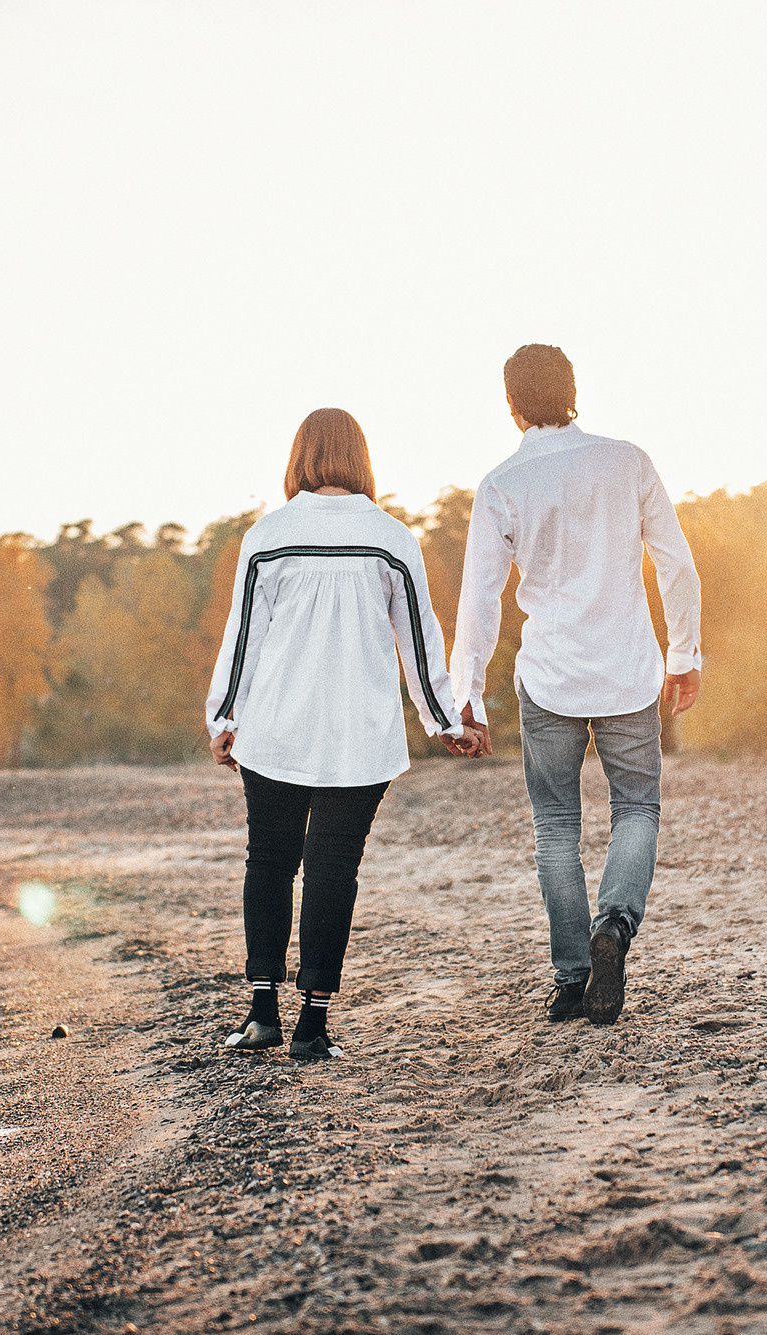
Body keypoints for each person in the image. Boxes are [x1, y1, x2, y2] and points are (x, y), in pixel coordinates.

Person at [204, 407, 477, 1060]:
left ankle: (262, 1015)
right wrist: (443, 717)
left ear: (299, 456)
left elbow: (243, 637)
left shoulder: (268, 535)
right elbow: (419, 635)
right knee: (333, 870)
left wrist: (224, 717)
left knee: (269, 862)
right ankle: (312, 1027)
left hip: (276, 729)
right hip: (359, 736)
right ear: (361, 459)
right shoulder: (391, 537)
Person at [446, 344, 702, 1026]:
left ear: (511, 405)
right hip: (627, 669)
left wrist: (464, 689)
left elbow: (480, 598)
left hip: (551, 675)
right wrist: (685, 652)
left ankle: (570, 979)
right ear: (573, 389)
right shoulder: (627, 460)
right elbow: (677, 563)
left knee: (555, 825)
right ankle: (614, 925)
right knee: (637, 809)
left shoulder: (503, 483)